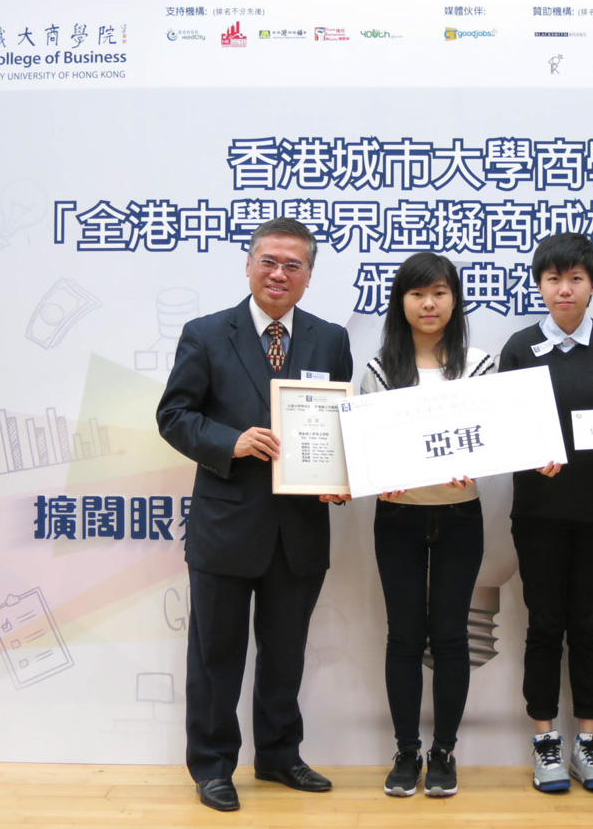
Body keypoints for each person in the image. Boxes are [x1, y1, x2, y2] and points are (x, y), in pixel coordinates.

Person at [156, 218, 353, 812]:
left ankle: (279, 755)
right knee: (216, 655)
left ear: (309, 276)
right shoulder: (206, 333)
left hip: (299, 528)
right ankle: (213, 765)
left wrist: (340, 477)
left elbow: (341, 427)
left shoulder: (330, 339)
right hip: (225, 526)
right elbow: (174, 416)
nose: (279, 274)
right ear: (248, 265)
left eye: (293, 265)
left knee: (285, 653)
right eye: (269, 261)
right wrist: (232, 441)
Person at [498, 233, 593, 794]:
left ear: (592, 285)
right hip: (538, 511)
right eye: (554, 279)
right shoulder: (518, 347)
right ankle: (545, 742)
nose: (564, 289)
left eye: (575, 279)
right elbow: (503, 430)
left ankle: (589, 742)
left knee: (588, 628)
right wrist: (526, 453)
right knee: (543, 626)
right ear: (540, 285)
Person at [360, 252, 495, 798]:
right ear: (401, 302)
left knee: (451, 635)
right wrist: (378, 474)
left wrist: (475, 458)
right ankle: (406, 751)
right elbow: (365, 447)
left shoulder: (478, 365)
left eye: (440, 292)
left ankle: (443, 752)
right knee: (404, 636)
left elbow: (492, 436)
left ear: (455, 300)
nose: (429, 303)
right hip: (398, 517)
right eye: (417, 293)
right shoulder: (379, 369)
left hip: (461, 514)